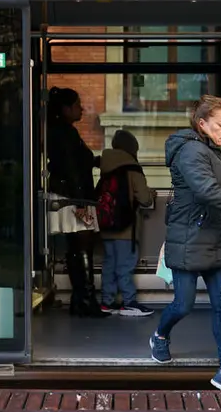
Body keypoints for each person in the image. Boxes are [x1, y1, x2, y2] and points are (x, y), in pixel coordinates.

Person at [150, 95, 221, 392]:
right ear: (201, 123)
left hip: (215, 240)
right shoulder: (190, 151)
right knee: (183, 305)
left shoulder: (211, 150)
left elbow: (219, 193)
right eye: (220, 125)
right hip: (189, 240)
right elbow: (206, 190)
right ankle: (160, 336)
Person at [45, 86, 106, 317]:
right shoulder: (66, 133)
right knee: (83, 245)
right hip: (74, 197)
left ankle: (80, 299)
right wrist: (80, 202)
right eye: (77, 105)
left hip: (68, 195)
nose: (81, 109)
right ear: (66, 108)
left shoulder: (57, 131)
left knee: (75, 246)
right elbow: (72, 168)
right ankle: (86, 300)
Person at [98, 129, 155, 316]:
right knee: (124, 266)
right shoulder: (132, 167)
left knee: (109, 265)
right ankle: (129, 302)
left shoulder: (106, 166)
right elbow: (145, 199)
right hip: (126, 227)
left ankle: (107, 302)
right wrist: (151, 194)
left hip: (106, 224)